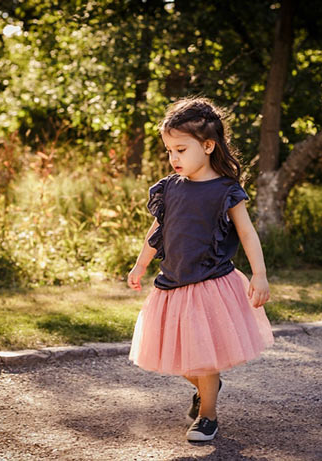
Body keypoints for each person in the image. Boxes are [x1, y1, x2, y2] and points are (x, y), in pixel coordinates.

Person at [127, 97, 274, 442]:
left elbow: (247, 232)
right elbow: (157, 232)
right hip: (172, 283)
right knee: (179, 358)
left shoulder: (224, 190)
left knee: (204, 356)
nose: (173, 158)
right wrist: (140, 264)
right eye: (169, 151)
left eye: (180, 149)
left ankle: (207, 416)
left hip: (210, 283)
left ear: (208, 146)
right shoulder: (170, 189)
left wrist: (260, 274)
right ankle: (208, 388)